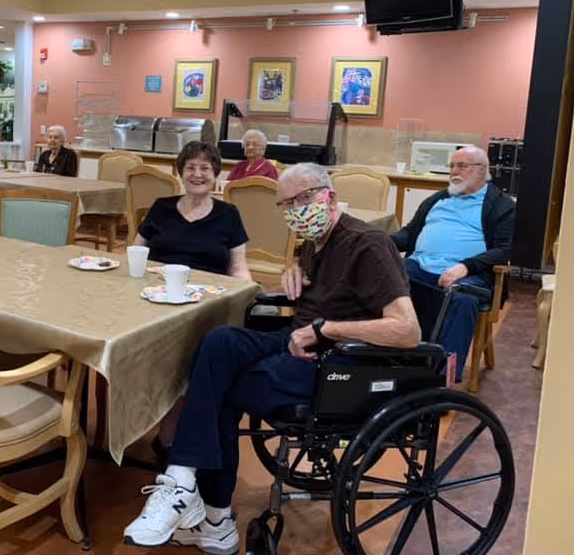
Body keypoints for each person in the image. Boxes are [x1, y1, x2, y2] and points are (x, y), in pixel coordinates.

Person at [123, 162, 420, 554]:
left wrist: (326, 329)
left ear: (328, 195)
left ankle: (212, 515)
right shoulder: (317, 242)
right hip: (296, 341)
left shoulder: (368, 244)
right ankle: (183, 481)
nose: (297, 209)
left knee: (222, 387)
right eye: (287, 204)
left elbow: (407, 330)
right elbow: (326, 293)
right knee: (219, 342)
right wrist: (294, 277)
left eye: (304, 198)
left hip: (337, 364)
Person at [391, 145, 514, 378]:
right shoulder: (437, 200)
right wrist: (380, 243)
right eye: (452, 167)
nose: (454, 172)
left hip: (469, 274)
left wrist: (466, 266)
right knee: (389, 281)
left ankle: (442, 380)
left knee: (463, 300)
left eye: (462, 166)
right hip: (420, 266)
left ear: (481, 170)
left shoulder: (501, 205)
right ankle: (391, 363)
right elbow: (409, 234)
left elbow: (505, 249)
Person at [135, 141, 250, 280]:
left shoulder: (229, 214)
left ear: (215, 175)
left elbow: (238, 268)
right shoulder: (161, 207)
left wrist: (246, 294)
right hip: (156, 288)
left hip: (208, 291)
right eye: (190, 168)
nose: (197, 174)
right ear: (181, 173)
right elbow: (136, 253)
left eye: (205, 168)